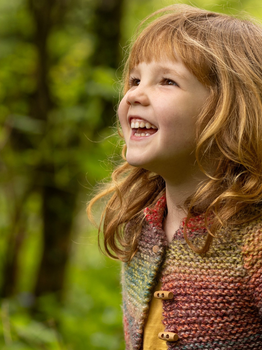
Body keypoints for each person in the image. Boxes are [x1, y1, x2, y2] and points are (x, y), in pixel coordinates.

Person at [87, 4, 262, 350]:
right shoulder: (143, 225)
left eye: (167, 81)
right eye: (135, 80)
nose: (134, 94)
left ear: (230, 110)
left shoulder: (253, 239)